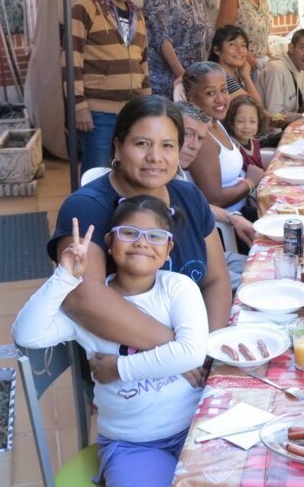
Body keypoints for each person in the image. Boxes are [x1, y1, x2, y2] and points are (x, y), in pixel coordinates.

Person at [14, 197, 208, 487]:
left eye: (155, 236)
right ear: (109, 242)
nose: (141, 242)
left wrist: (119, 368)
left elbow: (191, 353)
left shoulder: (178, 289)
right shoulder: (91, 310)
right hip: (132, 445)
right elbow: (27, 334)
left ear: (168, 249)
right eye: (129, 233)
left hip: (195, 426)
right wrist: (64, 277)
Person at [50, 96, 233, 353]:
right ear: (117, 147)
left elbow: (216, 280)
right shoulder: (86, 208)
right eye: (142, 144)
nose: (155, 157)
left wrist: (208, 350)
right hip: (126, 361)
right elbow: (83, 298)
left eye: (167, 145)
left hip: (195, 353)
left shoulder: (189, 197)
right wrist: (179, 350)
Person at [66, 0, 151, 171]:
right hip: (98, 114)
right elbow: (71, 59)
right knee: (97, 175)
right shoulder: (84, 9)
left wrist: (147, 104)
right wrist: (79, 106)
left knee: (128, 173)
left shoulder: (137, 14)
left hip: (132, 112)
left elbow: (143, 62)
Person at [171, 100, 254, 290]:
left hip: (205, 254)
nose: (194, 145)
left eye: (200, 138)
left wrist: (232, 217)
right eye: (187, 134)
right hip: (187, 270)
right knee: (258, 282)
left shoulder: (177, 173)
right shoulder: (158, 176)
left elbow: (195, 206)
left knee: (268, 268)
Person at [182, 61, 264, 213]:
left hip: (243, 209)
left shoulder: (216, 122)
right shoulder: (201, 138)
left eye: (224, 90)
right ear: (191, 97)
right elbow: (215, 200)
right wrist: (250, 182)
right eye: (210, 93)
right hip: (228, 223)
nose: (220, 99)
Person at [144, 0, 213, 98]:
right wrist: (182, 74)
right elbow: (161, 39)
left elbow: (205, 32)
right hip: (169, 80)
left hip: (194, 77)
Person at [259, 29, 304, 126]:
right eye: (302, 48)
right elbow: (275, 117)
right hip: (272, 132)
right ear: (291, 48)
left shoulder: (301, 66)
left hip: (291, 125)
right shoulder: (276, 69)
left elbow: (301, 101)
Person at [209, 25, 264, 107]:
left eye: (243, 45)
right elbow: (256, 106)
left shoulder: (236, 74)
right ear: (217, 50)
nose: (240, 50)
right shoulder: (219, 76)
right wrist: (246, 77)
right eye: (232, 44)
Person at [225, 95, 266, 172]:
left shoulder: (255, 142)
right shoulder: (233, 149)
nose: (247, 126)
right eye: (240, 121)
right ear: (231, 123)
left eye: (252, 121)